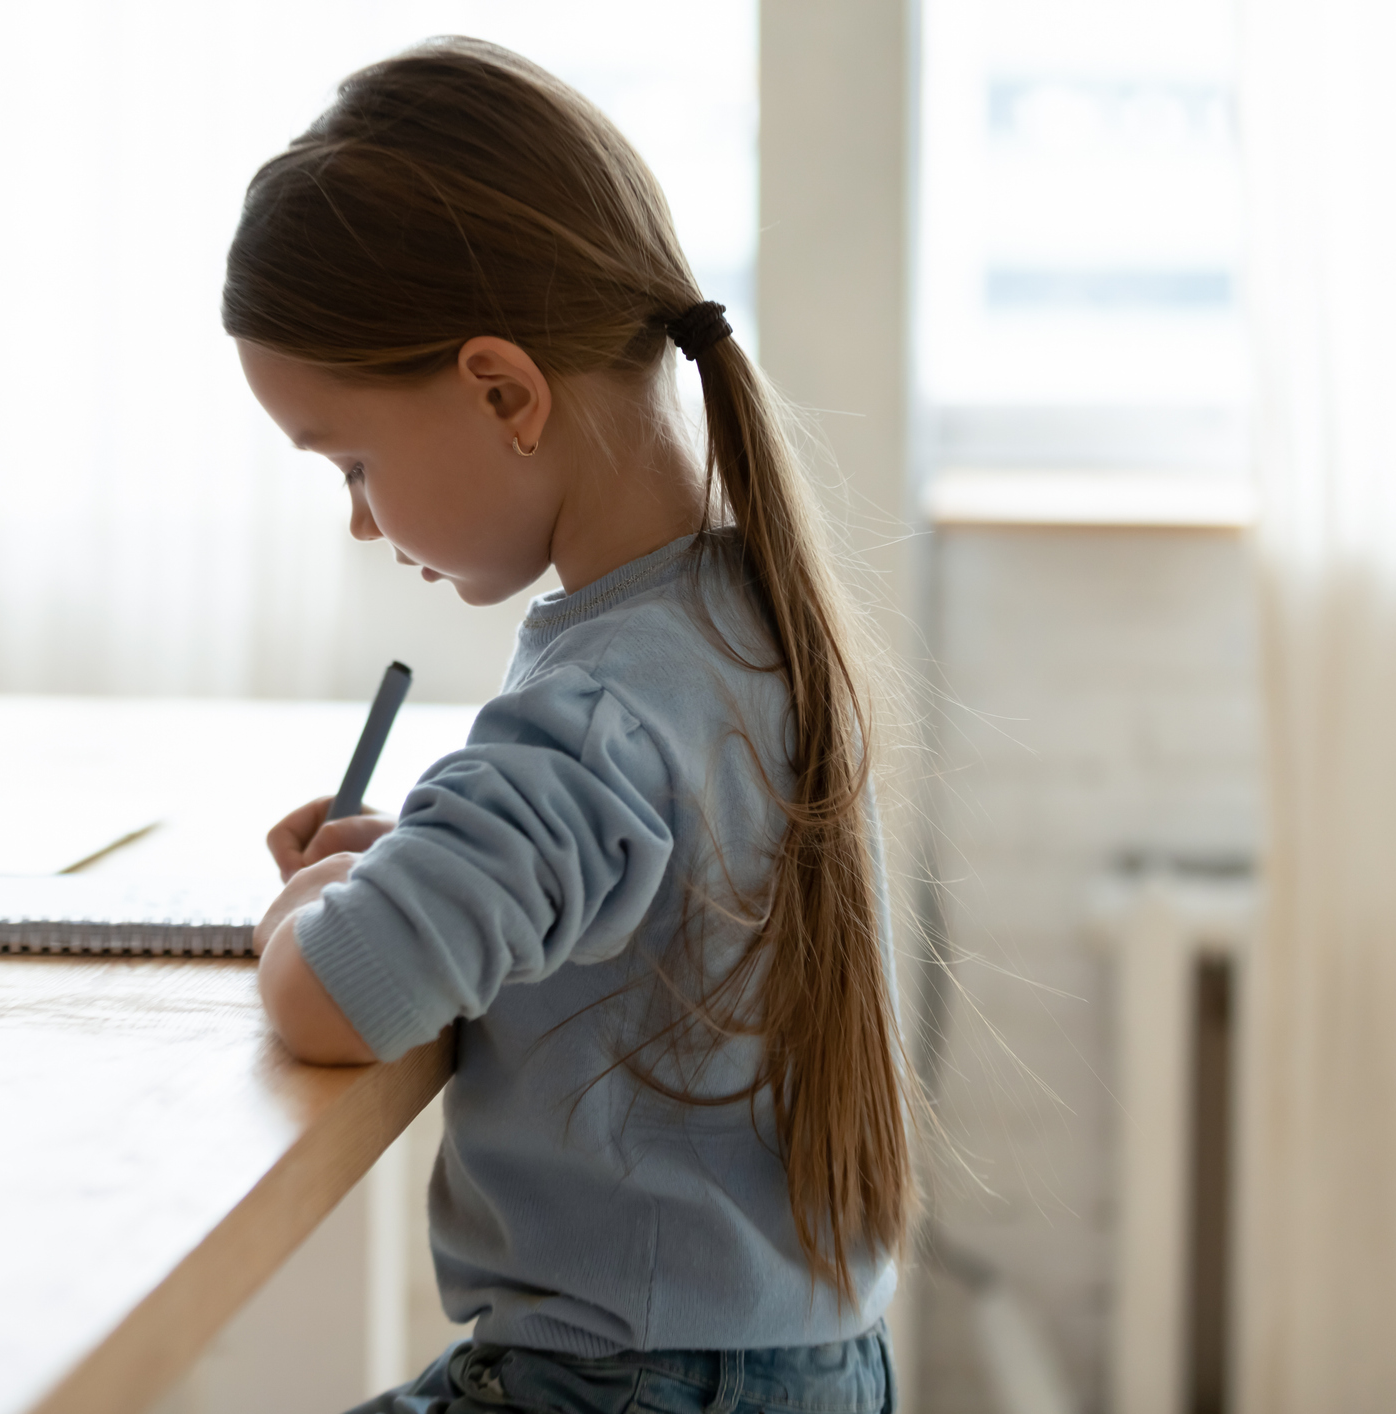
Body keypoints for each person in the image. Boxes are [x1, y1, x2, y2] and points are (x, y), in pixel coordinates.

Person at [227, 38, 910, 1414]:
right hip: (801, 1372)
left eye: (350, 460)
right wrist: (414, 861)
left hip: (621, 1384)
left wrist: (310, 902)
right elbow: (617, 900)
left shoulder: (598, 704)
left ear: (502, 391)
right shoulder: (738, 623)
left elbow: (335, 993)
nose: (359, 518)